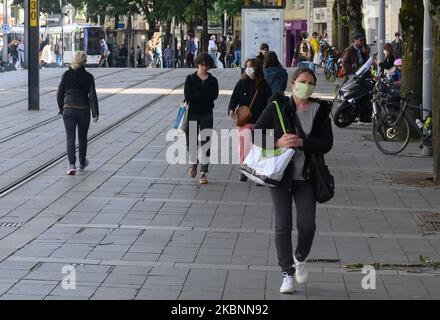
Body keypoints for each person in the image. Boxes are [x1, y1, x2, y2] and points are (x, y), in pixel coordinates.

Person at [254, 67, 333, 294]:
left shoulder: (319, 111)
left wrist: (302, 143)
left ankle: (300, 257)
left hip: (306, 176)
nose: (306, 86)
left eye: (310, 83)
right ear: (292, 83)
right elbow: (256, 134)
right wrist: (278, 142)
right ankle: (287, 273)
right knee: (283, 225)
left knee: (307, 224)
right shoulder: (277, 106)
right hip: (280, 175)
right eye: (302, 81)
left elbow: (326, 143)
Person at [228, 58, 273, 182]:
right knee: (244, 147)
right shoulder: (241, 83)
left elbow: (269, 103)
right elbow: (234, 98)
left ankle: (258, 172)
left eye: (251, 67)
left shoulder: (264, 85)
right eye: (247, 66)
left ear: (257, 69)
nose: (248, 69)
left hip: (260, 121)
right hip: (244, 121)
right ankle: (244, 169)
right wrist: (231, 109)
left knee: (259, 148)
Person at [57, 51, 99, 176]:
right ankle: (82, 163)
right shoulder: (89, 77)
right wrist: (95, 113)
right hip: (83, 110)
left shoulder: (66, 74)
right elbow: (92, 96)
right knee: (82, 138)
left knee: (70, 138)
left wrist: (62, 108)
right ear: (85, 62)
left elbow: (59, 93)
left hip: (68, 109)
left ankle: (71, 165)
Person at [184, 53, 219, 185]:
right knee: (191, 141)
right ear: (197, 64)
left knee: (206, 141)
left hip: (207, 113)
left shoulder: (212, 80)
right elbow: (188, 95)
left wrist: (199, 97)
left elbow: (214, 95)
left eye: (207, 65)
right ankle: (194, 162)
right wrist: (204, 97)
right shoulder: (190, 78)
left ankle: (203, 171)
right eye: (202, 64)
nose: (204, 67)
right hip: (192, 113)